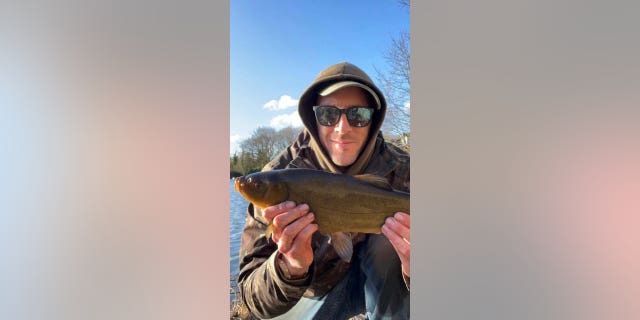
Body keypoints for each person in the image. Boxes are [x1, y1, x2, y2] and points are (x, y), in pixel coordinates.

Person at [238, 62, 410, 320]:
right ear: (313, 118)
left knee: (389, 247)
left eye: (358, 115)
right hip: (315, 290)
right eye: (328, 115)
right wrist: (289, 268)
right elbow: (251, 295)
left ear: (372, 120)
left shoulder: (404, 168)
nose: (343, 128)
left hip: (388, 286)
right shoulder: (280, 172)